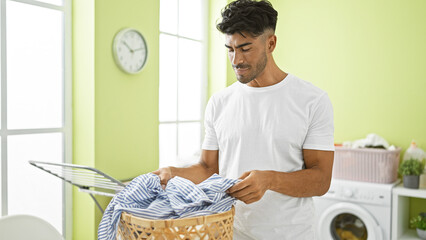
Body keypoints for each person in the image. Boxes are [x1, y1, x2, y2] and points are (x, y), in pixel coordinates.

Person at [153, 0, 334, 239]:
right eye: (230, 49)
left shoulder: (312, 100)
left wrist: (270, 180)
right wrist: (173, 172)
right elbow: (209, 169)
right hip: (232, 232)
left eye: (245, 48)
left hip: (293, 234)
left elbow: (321, 180)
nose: (236, 59)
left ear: (271, 43)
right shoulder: (219, 102)